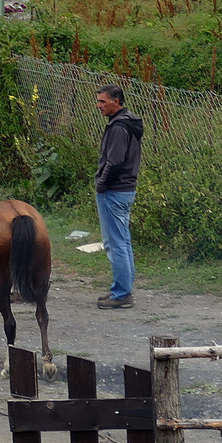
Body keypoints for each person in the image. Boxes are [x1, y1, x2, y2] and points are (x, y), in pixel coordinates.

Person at [94, 85, 144, 308]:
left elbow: (114, 161)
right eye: (98, 101)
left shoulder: (118, 128)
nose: (99, 106)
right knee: (122, 241)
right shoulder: (128, 124)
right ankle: (123, 289)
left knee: (115, 243)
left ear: (117, 101)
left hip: (115, 190)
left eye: (103, 102)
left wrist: (101, 184)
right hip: (126, 189)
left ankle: (122, 293)